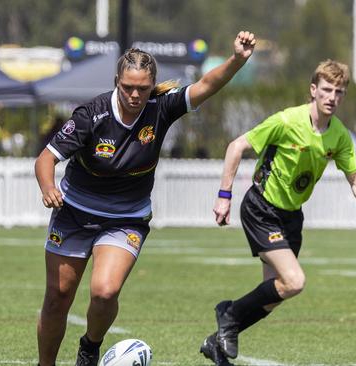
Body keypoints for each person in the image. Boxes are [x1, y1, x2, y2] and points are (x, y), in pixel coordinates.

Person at [34, 31, 256, 366]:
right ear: (116, 82)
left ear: (152, 84)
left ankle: (90, 347)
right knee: (58, 298)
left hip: (126, 218)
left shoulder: (160, 108)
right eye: (127, 87)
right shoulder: (90, 115)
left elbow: (207, 85)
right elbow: (45, 159)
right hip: (74, 213)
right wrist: (48, 187)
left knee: (105, 291)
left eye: (142, 88)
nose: (135, 95)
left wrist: (237, 59)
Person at [200, 60, 356, 366]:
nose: (332, 97)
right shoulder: (286, 121)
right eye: (326, 89)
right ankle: (227, 315)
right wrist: (224, 196)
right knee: (295, 281)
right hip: (261, 208)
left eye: (339, 91)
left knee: (275, 294)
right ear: (313, 90)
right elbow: (236, 146)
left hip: (292, 217)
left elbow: (353, 175)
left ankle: (216, 342)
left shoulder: (338, 135)